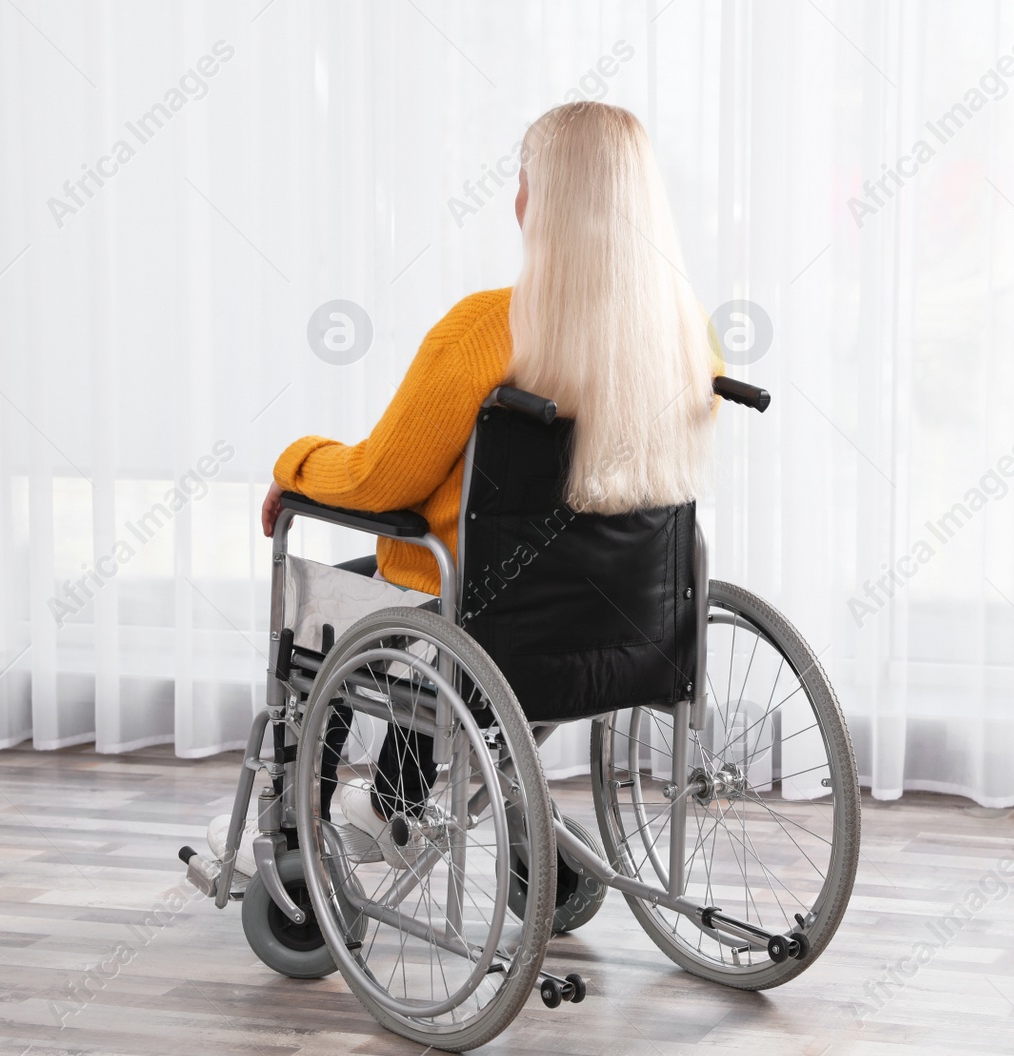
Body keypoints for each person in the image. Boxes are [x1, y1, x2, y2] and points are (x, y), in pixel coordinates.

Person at [263, 101, 721, 865]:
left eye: (523, 178)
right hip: (631, 631)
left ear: (541, 201)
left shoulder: (486, 332)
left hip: (483, 628)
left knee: (326, 601)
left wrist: (297, 464)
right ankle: (390, 806)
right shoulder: (688, 337)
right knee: (429, 587)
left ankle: (297, 832)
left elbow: (381, 481)